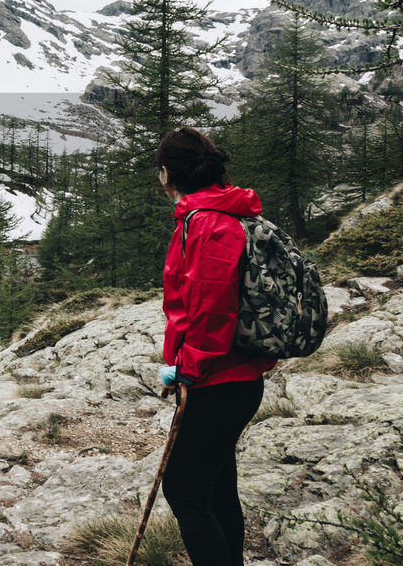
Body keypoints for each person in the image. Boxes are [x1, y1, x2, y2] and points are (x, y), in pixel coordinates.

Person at [155, 126, 276, 566]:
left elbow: (212, 310)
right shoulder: (221, 213)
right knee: (216, 485)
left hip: (218, 379)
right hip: (233, 376)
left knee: (184, 489)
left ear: (167, 173)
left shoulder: (206, 223)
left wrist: (188, 367)